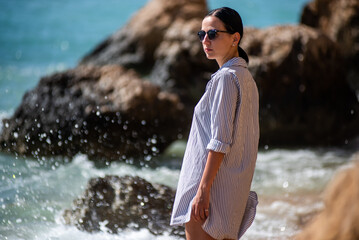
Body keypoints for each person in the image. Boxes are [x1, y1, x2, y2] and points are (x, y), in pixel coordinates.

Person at [170, 7, 260, 240]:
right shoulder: (245, 78)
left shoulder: (225, 79)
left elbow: (220, 141)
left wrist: (202, 191)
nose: (205, 40)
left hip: (212, 196)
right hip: (231, 193)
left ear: (235, 38)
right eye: (202, 35)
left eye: (213, 34)